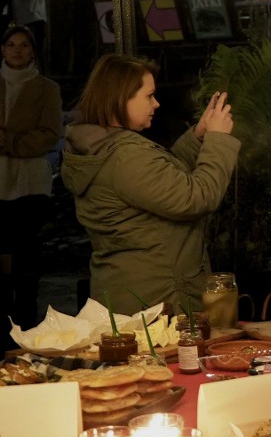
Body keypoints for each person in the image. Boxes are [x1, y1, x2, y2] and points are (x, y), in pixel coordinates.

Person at [61, 54, 240, 316]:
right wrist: (217, 140)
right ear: (121, 97)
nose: (156, 104)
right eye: (149, 96)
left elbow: (159, 180)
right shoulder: (126, 156)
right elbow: (195, 198)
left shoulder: (101, 146)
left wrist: (198, 137)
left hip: (131, 295)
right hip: (154, 304)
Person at [0, 26, 62, 347]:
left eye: (24, 45)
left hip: (29, 185)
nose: (17, 50)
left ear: (33, 50)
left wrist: (8, 141)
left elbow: (49, 134)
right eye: (11, 44)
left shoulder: (45, 89)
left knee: (26, 262)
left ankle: (24, 330)